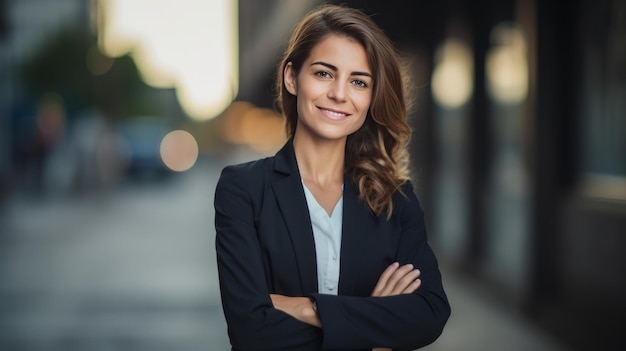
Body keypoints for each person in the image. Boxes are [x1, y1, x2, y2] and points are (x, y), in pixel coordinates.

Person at [214, 4, 450, 350]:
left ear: (371, 97)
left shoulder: (394, 199)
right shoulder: (244, 189)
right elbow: (250, 331)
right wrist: (374, 324)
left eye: (358, 81)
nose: (340, 93)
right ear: (292, 77)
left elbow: (430, 313)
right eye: (324, 73)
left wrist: (305, 307)